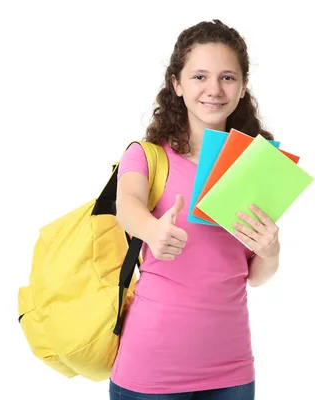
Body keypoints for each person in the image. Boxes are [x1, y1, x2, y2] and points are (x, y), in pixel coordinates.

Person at [110, 19, 281, 400]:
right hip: (151, 370)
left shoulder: (257, 166)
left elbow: (253, 275)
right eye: (199, 76)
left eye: (227, 78)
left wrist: (271, 252)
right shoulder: (146, 155)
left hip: (232, 369)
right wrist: (153, 231)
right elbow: (127, 206)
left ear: (243, 86)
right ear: (177, 84)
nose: (213, 90)